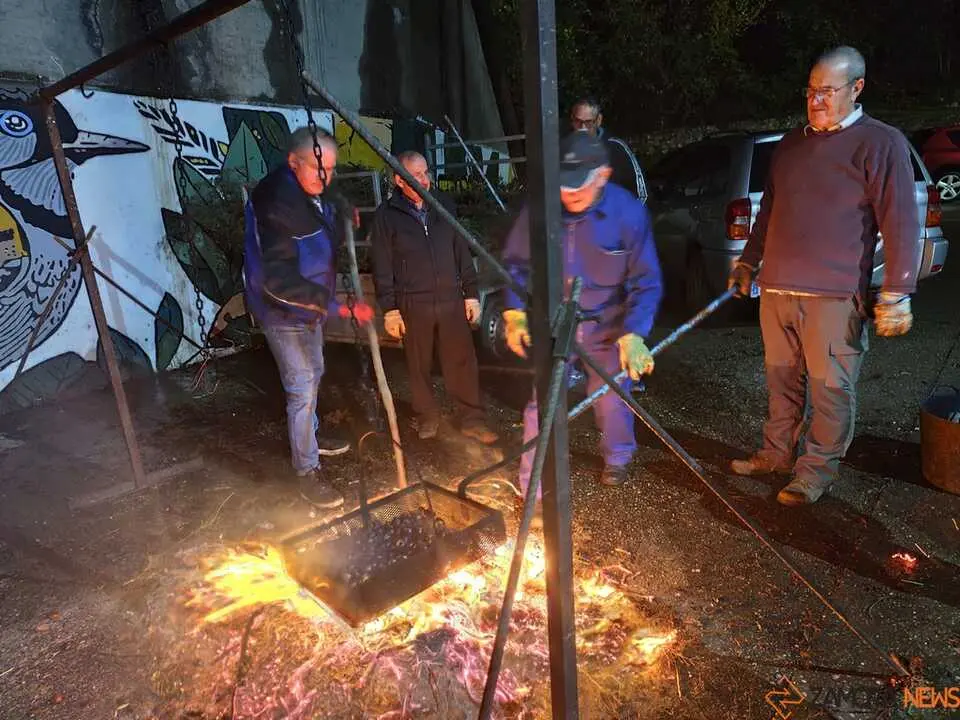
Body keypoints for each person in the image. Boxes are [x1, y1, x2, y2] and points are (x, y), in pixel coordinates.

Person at [728, 46, 919, 507]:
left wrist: (898, 291)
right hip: (777, 289)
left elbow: (899, 220)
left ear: (857, 88)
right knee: (780, 379)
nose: (815, 101)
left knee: (830, 389)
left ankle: (815, 473)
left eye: (827, 92)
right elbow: (770, 210)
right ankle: (776, 453)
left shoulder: (881, 142)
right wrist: (748, 262)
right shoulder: (792, 144)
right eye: (811, 91)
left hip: (833, 295)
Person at [502, 131, 663, 503]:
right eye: (563, 187)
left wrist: (635, 333)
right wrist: (514, 313)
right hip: (556, 317)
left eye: (579, 187)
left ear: (603, 175)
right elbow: (515, 265)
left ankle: (618, 456)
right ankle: (532, 484)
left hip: (608, 321)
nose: (568, 195)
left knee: (609, 393)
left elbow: (647, 280)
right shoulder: (541, 209)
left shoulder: (628, 214)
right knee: (541, 400)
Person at [243, 127, 374, 509]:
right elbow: (277, 281)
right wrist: (336, 307)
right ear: (292, 163)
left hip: (311, 305)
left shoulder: (310, 188)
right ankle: (307, 470)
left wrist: (343, 208)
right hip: (282, 308)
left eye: (331, 169)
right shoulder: (276, 206)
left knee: (315, 372)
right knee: (301, 385)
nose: (324, 176)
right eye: (318, 168)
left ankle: (311, 436)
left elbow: (326, 194)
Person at [369, 151, 498, 444]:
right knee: (418, 363)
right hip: (413, 301)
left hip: (451, 298)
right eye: (416, 175)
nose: (425, 180)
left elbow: (461, 252)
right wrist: (390, 309)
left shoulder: (443, 206)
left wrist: (471, 294)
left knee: (462, 360)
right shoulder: (387, 216)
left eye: (426, 172)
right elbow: (382, 264)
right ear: (399, 179)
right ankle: (427, 414)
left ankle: (471, 418)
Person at [570, 97, 647, 202]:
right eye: (577, 121)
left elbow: (641, 193)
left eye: (588, 123)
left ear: (598, 120)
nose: (582, 127)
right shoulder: (563, 147)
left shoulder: (616, 148)